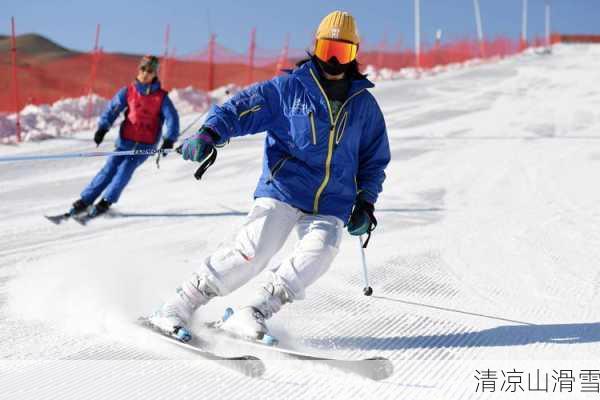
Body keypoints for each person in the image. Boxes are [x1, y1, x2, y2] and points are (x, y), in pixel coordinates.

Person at [149, 11, 390, 343]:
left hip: (331, 202)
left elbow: (373, 161)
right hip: (283, 189)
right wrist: (210, 132)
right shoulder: (290, 88)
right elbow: (241, 108)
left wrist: (365, 201)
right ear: (316, 47)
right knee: (254, 250)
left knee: (321, 251)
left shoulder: (364, 106)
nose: (333, 61)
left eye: (342, 52)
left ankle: (255, 311)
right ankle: (179, 304)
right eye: (327, 50)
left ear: (355, 54)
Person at [68, 55, 180, 217]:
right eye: (143, 69)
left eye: (150, 71)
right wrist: (103, 128)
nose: (145, 73)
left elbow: (172, 118)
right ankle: (86, 200)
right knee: (109, 169)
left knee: (125, 170)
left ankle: (106, 201)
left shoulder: (161, 97)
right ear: (138, 70)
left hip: (145, 145)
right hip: (125, 142)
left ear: (155, 73)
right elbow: (112, 110)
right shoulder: (128, 92)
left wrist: (169, 139)